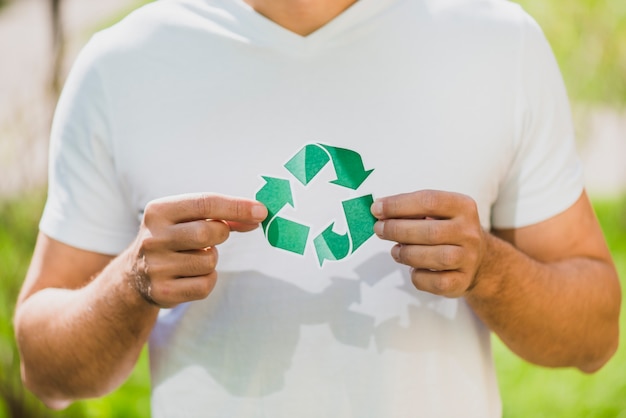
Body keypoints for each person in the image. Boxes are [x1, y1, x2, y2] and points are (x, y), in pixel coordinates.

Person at [14, 0, 620, 417]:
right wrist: (131, 282)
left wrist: (489, 268)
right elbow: (45, 369)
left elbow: (594, 334)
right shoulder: (123, 66)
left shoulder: (496, 43)